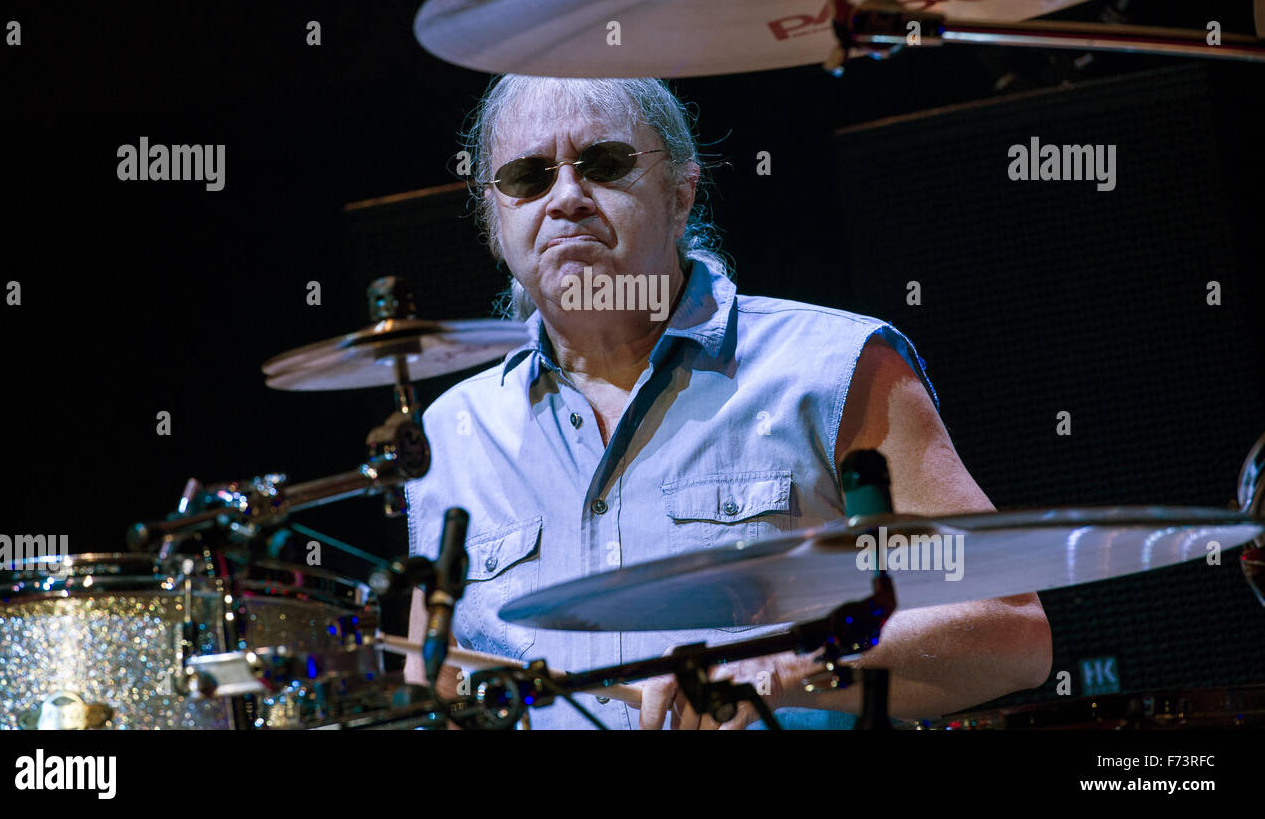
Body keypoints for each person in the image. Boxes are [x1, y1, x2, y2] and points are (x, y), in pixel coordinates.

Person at [403, 75, 1052, 729]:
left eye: (605, 164)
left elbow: (1009, 632)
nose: (566, 197)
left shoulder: (834, 368)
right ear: (494, 221)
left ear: (681, 192)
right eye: (527, 177)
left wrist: (783, 668)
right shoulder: (450, 437)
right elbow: (431, 692)